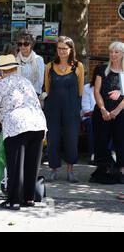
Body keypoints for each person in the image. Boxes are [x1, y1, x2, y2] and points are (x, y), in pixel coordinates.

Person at [0, 54, 47, 210]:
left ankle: (13, 201)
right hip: (38, 123)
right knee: (31, 164)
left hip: (16, 125)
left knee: (15, 165)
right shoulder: (26, 82)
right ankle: (29, 198)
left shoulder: (1, 84)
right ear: (15, 69)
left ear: (2, 71)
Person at [44, 36, 84, 183]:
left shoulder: (78, 66)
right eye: (59, 48)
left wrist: (77, 107)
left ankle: (70, 171)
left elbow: (80, 90)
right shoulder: (49, 67)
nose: (61, 51)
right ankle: (53, 170)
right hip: (53, 108)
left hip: (71, 107)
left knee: (71, 139)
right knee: (53, 139)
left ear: (70, 50)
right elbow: (47, 89)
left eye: (64, 48)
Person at [90, 41, 124, 184]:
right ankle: (103, 170)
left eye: (116, 52)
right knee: (101, 142)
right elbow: (96, 91)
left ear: (122, 54)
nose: (113, 54)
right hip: (102, 113)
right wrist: (103, 110)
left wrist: (116, 111)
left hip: (121, 113)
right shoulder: (101, 69)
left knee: (121, 142)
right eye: (111, 52)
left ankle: (121, 170)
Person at [15, 30, 45, 95]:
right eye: (20, 44)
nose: (22, 46)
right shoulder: (15, 60)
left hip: (33, 95)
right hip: (17, 95)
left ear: (31, 44)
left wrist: (29, 94)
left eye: (26, 44)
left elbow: (40, 82)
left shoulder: (39, 59)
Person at [81, 66, 100, 164]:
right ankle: (94, 155)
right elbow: (86, 109)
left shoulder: (108, 87)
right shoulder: (87, 88)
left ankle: (112, 154)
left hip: (105, 116)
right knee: (93, 123)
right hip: (90, 117)